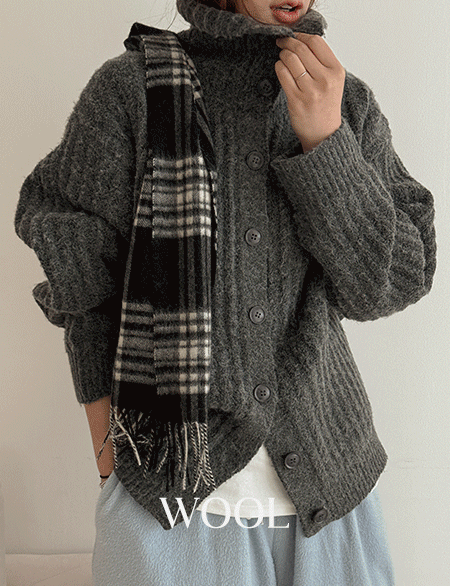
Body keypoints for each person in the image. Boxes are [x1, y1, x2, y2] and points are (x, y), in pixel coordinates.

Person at [14, 0, 436, 584]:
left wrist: (326, 143)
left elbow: (390, 284)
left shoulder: (343, 101)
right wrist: (108, 454)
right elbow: (81, 280)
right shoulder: (131, 90)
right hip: (166, 495)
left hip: (331, 498)